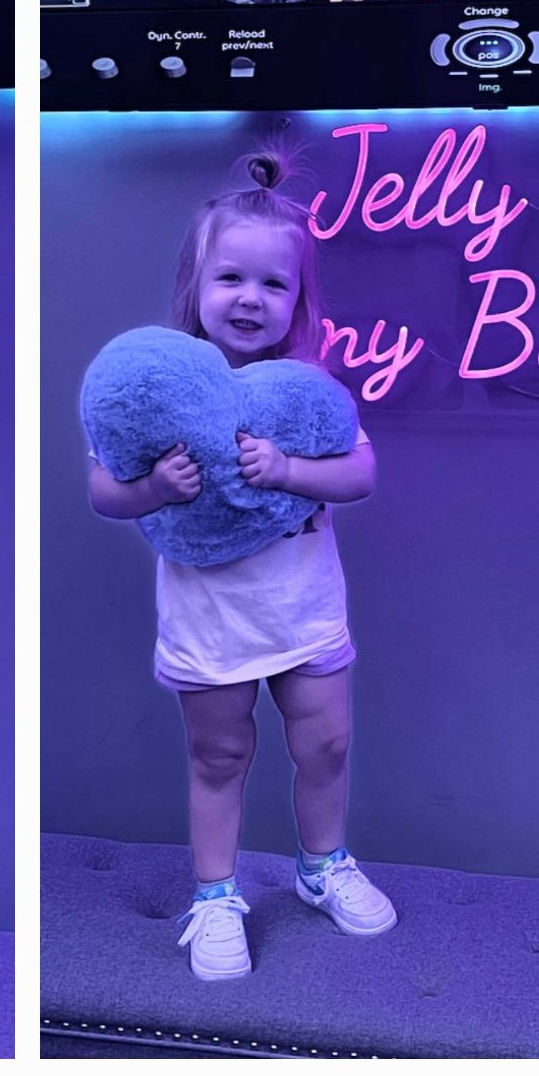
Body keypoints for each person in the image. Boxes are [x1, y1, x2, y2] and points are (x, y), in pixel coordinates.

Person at [86, 147, 396, 982]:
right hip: (211, 622)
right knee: (219, 757)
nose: (250, 300)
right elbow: (102, 492)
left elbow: (360, 474)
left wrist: (288, 470)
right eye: (231, 279)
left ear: (298, 299)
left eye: (273, 285)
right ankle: (217, 894)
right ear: (196, 286)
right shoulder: (158, 388)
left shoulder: (307, 391)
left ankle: (323, 864)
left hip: (303, 613)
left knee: (326, 743)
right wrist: (152, 484)